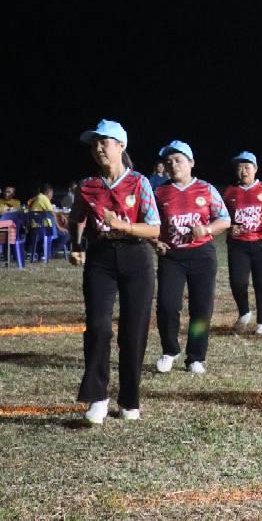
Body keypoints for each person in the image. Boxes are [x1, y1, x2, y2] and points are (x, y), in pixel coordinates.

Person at [69, 119, 161, 425]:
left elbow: (155, 228)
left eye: (104, 142)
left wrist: (125, 226)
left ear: (121, 146)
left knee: (133, 331)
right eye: (94, 144)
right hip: (101, 259)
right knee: (98, 327)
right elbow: (77, 218)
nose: (98, 148)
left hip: (136, 257)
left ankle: (129, 399)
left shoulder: (139, 183)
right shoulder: (87, 186)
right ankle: (97, 397)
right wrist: (77, 245)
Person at [152, 141, 231, 375]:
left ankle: (196, 357)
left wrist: (206, 229)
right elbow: (149, 222)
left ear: (191, 163)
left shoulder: (206, 189)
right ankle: (170, 350)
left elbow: (225, 219)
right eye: (168, 162)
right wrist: (155, 242)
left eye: (178, 160)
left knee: (201, 309)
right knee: (167, 306)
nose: (173, 165)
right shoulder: (159, 192)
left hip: (201, 255)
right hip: (171, 256)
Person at [224, 151, 262, 336]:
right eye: (239, 167)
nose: (243, 171)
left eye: (247, 167)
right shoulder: (230, 191)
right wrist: (230, 227)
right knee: (238, 282)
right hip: (238, 245)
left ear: (255, 168)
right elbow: (221, 217)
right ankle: (244, 312)